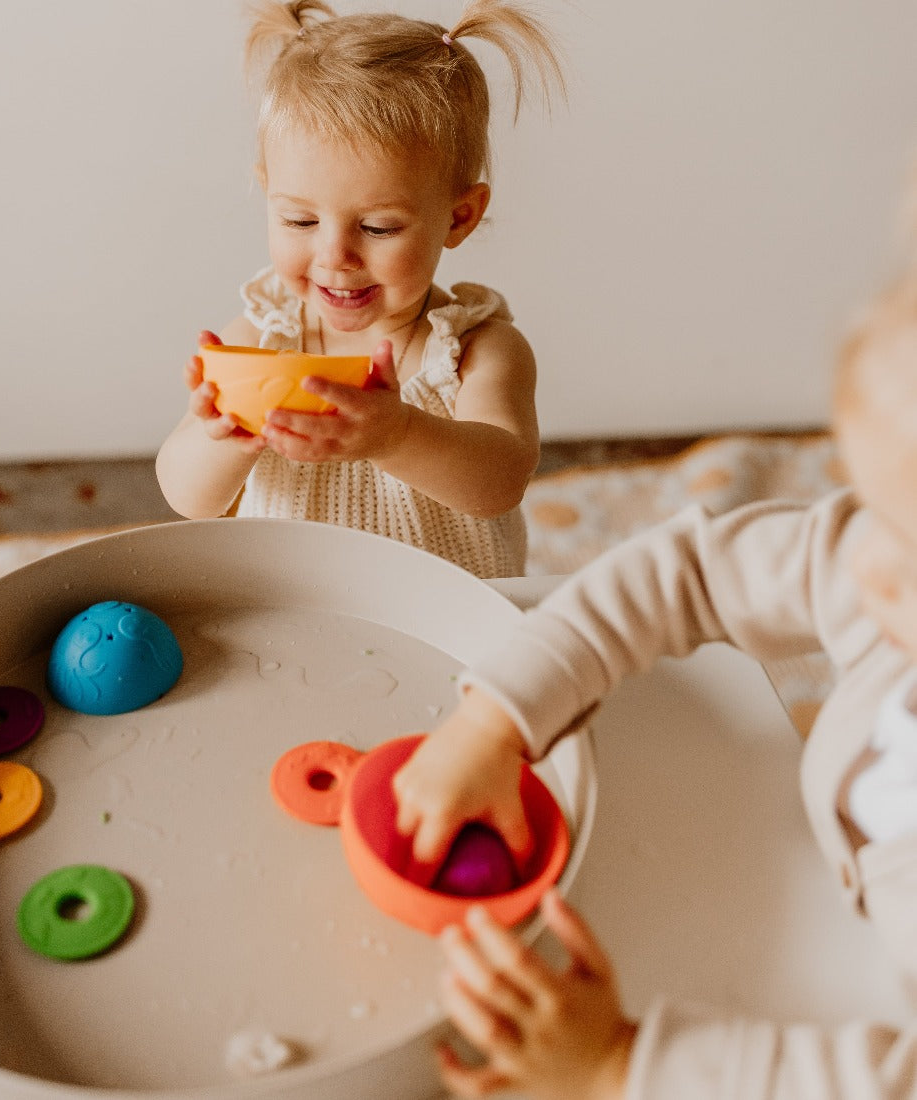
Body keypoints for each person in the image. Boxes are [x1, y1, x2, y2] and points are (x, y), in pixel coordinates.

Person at [391, 205, 917, 1097]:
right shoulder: (875, 571)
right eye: (871, 501)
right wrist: (499, 718)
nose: (861, 556)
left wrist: (622, 1064)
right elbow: (691, 571)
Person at [156, 0, 565, 579]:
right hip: (294, 614)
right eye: (300, 221)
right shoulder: (260, 340)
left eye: (377, 228)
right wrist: (222, 435)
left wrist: (395, 434)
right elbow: (185, 496)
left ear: (459, 217)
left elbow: (500, 482)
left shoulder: (477, 352)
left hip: (448, 625)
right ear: (267, 194)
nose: (334, 257)